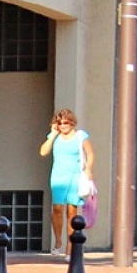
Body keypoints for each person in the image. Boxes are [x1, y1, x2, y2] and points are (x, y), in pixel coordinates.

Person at [38, 108, 94, 257]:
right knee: (57, 209)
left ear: (72, 123)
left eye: (66, 123)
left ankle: (70, 247)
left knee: (72, 211)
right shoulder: (55, 136)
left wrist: (88, 169)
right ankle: (58, 241)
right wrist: (53, 134)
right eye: (60, 123)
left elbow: (90, 153)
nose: (63, 126)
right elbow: (43, 152)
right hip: (58, 176)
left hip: (75, 176)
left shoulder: (80, 136)